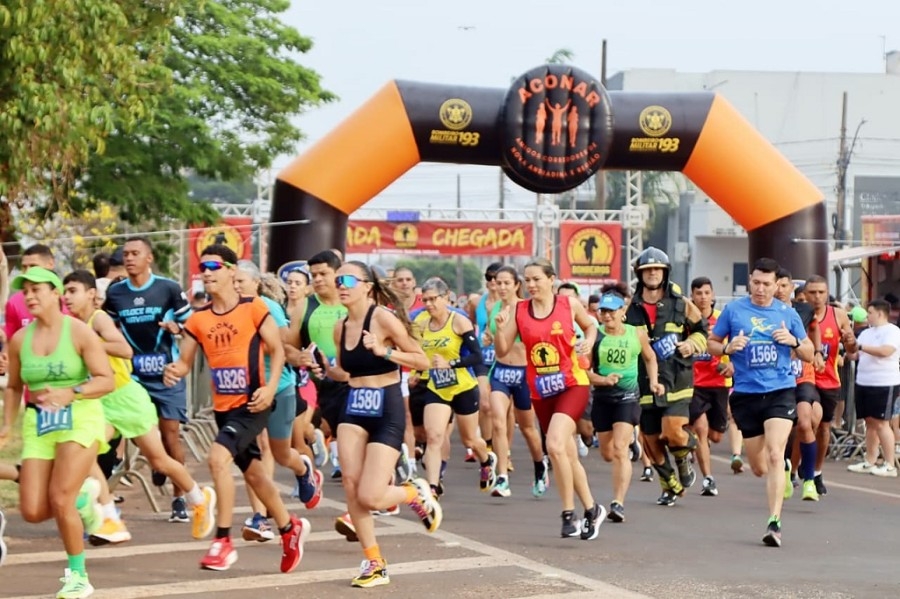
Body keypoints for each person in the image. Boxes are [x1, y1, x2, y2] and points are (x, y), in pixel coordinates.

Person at [163, 245, 309, 572]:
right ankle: (290, 528)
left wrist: (270, 388)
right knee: (256, 474)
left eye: (214, 266)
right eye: (203, 267)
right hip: (223, 409)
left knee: (217, 459)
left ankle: (223, 541)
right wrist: (174, 370)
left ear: (231, 270)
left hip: (254, 403)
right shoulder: (199, 319)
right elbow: (184, 362)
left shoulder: (255, 308)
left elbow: (278, 350)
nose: (207, 272)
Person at [62, 270, 216, 546]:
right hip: (101, 402)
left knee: (159, 461)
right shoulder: (74, 325)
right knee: (85, 453)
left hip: (126, 398)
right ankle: (108, 516)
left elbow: (125, 350)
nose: (66, 297)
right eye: (65, 291)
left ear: (91, 295)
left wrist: (88, 343)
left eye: (72, 291)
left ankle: (198, 498)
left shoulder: (99, 319)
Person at [316, 261, 440, 587]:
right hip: (354, 407)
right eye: (337, 279)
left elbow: (421, 359)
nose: (341, 285)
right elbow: (346, 370)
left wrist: (385, 352)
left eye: (347, 279)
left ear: (367, 286)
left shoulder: (383, 317)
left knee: (371, 496)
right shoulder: (340, 327)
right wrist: (324, 370)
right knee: (351, 488)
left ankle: (414, 492)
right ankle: (374, 563)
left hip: (386, 406)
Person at [1, 267, 116, 598]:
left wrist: (72, 392)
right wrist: (7, 424)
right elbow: (14, 387)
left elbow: (104, 379)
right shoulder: (21, 338)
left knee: (60, 497)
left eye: (38, 289)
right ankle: (84, 497)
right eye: (26, 291)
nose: (30, 296)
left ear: (55, 294)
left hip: (80, 416)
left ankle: (78, 576)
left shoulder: (80, 332)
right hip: (39, 423)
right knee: (33, 510)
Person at [495, 258, 605, 540]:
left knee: (554, 444)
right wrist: (498, 328)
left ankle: (569, 515)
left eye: (536, 279)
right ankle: (592, 509)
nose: (531, 285)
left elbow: (591, 326)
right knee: (565, 454)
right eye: (527, 280)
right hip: (542, 391)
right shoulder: (518, 310)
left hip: (572, 383)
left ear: (551, 279)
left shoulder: (568, 305)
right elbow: (502, 350)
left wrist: (589, 340)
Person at [708, 258, 813, 547]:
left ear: (777, 285)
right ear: (749, 282)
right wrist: (728, 348)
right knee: (759, 466)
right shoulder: (734, 310)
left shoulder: (787, 313)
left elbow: (809, 351)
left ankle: (774, 522)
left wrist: (792, 341)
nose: (760, 288)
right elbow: (711, 344)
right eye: (756, 282)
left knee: (776, 454)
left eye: (767, 284)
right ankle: (779, 472)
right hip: (745, 394)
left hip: (780, 391)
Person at [103, 237, 194, 522]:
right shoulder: (116, 294)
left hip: (167, 373)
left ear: (149, 258)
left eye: (135, 253)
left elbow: (192, 327)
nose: (129, 258)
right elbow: (105, 328)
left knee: (171, 435)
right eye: (125, 254)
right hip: (134, 376)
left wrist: (175, 328)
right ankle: (152, 467)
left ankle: (179, 498)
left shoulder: (168, 288)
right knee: (138, 435)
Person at [233, 262, 323, 542]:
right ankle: (260, 517)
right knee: (253, 452)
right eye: (233, 281)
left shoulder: (268, 308)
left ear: (255, 283)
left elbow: (285, 346)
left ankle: (304, 469)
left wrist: (301, 359)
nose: (236, 287)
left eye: (241, 282)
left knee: (281, 453)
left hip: (279, 387)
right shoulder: (226, 310)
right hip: (246, 391)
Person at [624, 247, 707, 506]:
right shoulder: (630, 308)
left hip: (677, 377)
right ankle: (668, 482)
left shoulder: (681, 304)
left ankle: (684, 456)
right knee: (649, 438)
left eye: (656, 270)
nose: (652, 274)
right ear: (640, 274)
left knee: (672, 431)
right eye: (647, 270)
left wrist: (692, 344)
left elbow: (702, 330)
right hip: (645, 381)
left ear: (665, 272)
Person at [413, 277, 496, 498]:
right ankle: (433, 487)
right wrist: (417, 373)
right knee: (433, 437)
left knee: (470, 439)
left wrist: (451, 363)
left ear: (446, 297)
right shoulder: (421, 324)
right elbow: (420, 355)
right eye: (425, 300)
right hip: (437, 387)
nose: (429, 304)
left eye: (433, 299)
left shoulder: (458, 322)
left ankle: (487, 459)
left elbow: (477, 356)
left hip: (462, 387)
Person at [587, 285, 663, 522]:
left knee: (620, 450)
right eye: (603, 312)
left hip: (628, 398)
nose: (607, 316)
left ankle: (618, 503)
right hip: (602, 398)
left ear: (623, 311)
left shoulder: (635, 333)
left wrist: (653, 382)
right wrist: (603, 380)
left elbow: (650, 358)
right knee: (608, 453)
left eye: (611, 311)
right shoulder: (595, 335)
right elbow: (584, 371)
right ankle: (631, 441)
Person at [484, 266, 548, 498]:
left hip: (524, 373)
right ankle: (502, 477)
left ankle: (540, 465)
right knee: (498, 421)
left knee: (529, 428)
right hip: (500, 371)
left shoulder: (525, 308)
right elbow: (491, 335)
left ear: (516, 285)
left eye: (506, 283)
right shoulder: (492, 308)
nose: (500, 287)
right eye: (497, 283)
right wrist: (488, 336)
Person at [803, 274, 857, 495]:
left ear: (827, 293)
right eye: (812, 292)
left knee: (823, 427)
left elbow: (852, 351)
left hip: (829, 379)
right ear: (805, 294)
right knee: (806, 423)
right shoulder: (797, 314)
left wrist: (852, 343)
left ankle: (816, 471)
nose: (817, 297)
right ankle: (796, 466)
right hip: (805, 378)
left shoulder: (839, 315)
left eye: (821, 292)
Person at [773, 270, 822, 501]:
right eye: (778, 285)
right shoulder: (763, 312)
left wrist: (818, 352)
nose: (781, 289)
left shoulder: (802, 309)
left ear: (792, 287)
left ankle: (810, 480)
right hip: (776, 377)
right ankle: (784, 469)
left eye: (785, 285)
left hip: (802, 375)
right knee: (781, 431)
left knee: (805, 422)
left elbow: (814, 329)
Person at [688, 276, 734, 497]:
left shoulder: (722, 320)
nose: (703, 298)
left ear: (713, 295)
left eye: (707, 293)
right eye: (698, 293)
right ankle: (708, 478)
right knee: (701, 429)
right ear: (692, 296)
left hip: (719, 383)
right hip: (694, 383)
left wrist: (729, 365)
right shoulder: (686, 322)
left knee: (715, 436)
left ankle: (691, 446)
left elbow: (734, 346)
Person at [844, 299, 900, 477]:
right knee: (869, 422)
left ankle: (890, 464)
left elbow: (886, 352)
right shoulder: (866, 333)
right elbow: (853, 355)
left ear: (880, 313)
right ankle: (870, 459)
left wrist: (860, 346)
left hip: (884, 382)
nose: (867, 316)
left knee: (882, 423)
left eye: (870, 313)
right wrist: (849, 345)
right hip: (864, 381)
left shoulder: (893, 331)